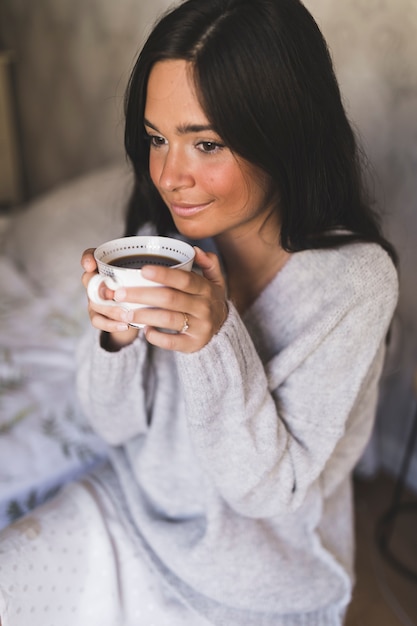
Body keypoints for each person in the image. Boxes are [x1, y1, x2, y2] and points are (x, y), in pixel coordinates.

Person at [0, 0, 398, 624]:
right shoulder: (164, 238)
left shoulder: (355, 283)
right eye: (157, 138)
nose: (168, 174)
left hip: (255, 573)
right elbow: (112, 425)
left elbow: (265, 493)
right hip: (128, 507)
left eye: (205, 143)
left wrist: (214, 340)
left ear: (285, 133)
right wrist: (113, 340)